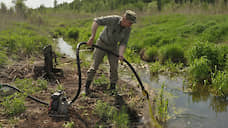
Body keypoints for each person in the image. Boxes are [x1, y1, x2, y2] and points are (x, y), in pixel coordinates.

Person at [85, 10, 136, 96]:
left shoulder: (128, 29)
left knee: (114, 67)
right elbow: (96, 21)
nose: (131, 25)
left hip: (113, 47)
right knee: (94, 66)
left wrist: (121, 54)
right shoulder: (113, 19)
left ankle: (112, 89)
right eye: (130, 22)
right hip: (102, 43)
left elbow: (123, 43)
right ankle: (86, 87)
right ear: (124, 19)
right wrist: (92, 36)